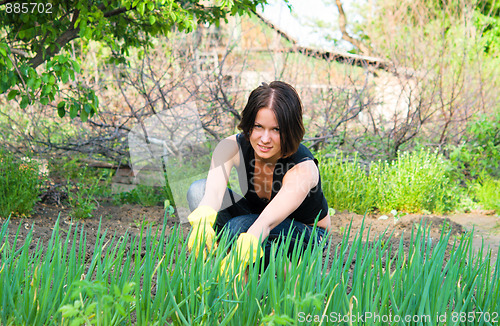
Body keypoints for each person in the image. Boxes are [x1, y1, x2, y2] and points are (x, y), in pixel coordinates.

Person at [186, 81, 331, 272]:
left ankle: (294, 278)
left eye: (276, 130)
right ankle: (227, 263)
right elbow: (212, 193)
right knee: (198, 191)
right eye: (258, 127)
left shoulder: (302, 169)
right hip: (257, 218)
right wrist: (203, 220)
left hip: (306, 234)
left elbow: (265, 222)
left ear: (290, 130)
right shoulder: (230, 147)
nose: (264, 138)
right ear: (249, 126)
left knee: (238, 228)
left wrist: (249, 237)